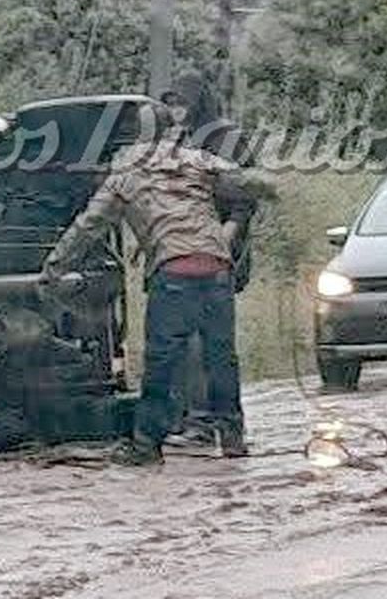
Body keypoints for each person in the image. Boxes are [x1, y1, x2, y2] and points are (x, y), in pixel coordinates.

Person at [40, 101, 264, 466]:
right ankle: (233, 438)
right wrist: (230, 230)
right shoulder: (198, 160)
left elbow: (88, 226)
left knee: (162, 360)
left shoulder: (126, 173)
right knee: (221, 357)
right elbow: (253, 185)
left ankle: (146, 444)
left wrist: (53, 268)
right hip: (218, 271)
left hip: (173, 272)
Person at [156, 72, 257, 446]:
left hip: (216, 255)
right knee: (183, 341)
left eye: (182, 102)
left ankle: (208, 423)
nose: (176, 110)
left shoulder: (225, 138)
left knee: (208, 343)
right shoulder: (175, 141)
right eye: (171, 104)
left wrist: (223, 240)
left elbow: (244, 201)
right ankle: (195, 419)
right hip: (180, 251)